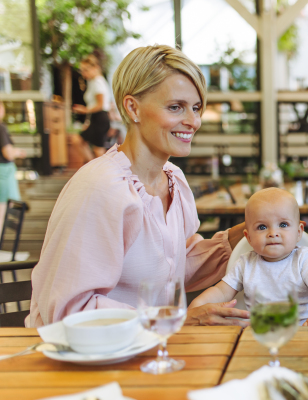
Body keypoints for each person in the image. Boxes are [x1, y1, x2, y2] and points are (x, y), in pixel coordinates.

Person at [27, 45, 249, 327]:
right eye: (175, 107)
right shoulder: (100, 188)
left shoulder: (174, 179)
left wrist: (247, 231)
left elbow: (174, 265)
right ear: (133, 108)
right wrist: (175, 320)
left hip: (153, 353)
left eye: (196, 108)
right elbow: (68, 310)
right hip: (86, 362)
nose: (193, 121)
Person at [190, 188, 308, 326]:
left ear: (299, 232)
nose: (273, 233)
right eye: (262, 227)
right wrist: (196, 306)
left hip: (302, 330)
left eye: (283, 224)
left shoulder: (303, 258)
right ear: (249, 238)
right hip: (260, 334)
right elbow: (221, 291)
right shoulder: (245, 263)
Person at [72, 52, 111, 161]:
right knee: (80, 142)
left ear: (95, 67)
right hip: (96, 118)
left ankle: (101, 173)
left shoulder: (98, 82)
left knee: (98, 150)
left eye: (86, 70)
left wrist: (84, 110)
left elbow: (100, 105)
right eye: (82, 70)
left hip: (100, 118)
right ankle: (93, 169)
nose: (84, 73)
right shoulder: (93, 82)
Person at [0, 101, 26, 230]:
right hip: (2, 176)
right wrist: (19, 152)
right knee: (2, 211)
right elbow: (8, 153)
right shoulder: (1, 127)